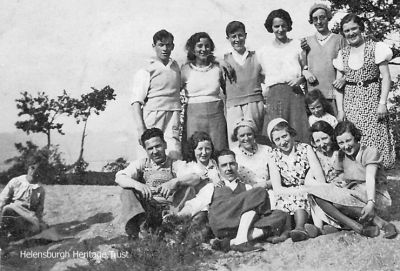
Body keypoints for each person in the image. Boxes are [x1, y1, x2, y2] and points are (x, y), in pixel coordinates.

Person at [180, 149, 288, 252]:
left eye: (231, 164)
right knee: (260, 192)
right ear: (218, 168)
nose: (228, 168)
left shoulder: (247, 187)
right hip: (222, 223)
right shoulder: (212, 187)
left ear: (236, 165)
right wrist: (179, 216)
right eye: (224, 165)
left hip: (238, 227)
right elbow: (195, 204)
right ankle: (241, 239)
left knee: (280, 215)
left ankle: (234, 241)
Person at [307, 121, 397, 238]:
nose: (346, 146)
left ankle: (383, 224)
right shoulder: (341, 155)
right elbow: (339, 175)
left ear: (356, 137)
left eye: (348, 140)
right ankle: (358, 228)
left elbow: (370, 178)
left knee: (337, 203)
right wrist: (339, 183)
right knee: (318, 195)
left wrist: (370, 203)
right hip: (355, 194)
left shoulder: (369, 152)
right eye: (341, 143)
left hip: (374, 195)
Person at [332, 13, 396, 169]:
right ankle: (359, 179)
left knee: (375, 139)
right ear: (343, 33)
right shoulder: (343, 54)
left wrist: (382, 103)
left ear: (361, 28)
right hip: (352, 103)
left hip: (372, 100)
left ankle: (379, 180)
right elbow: (338, 87)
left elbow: (386, 78)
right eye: (347, 31)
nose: (351, 33)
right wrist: (341, 110)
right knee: (354, 140)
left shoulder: (375, 48)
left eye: (354, 29)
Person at [115, 128, 198, 239]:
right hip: (147, 211)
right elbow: (119, 177)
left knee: (189, 189)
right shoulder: (142, 164)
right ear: (145, 150)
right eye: (150, 148)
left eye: (158, 146)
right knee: (126, 191)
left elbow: (195, 177)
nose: (155, 151)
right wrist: (137, 185)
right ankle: (143, 229)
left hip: (170, 209)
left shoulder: (176, 164)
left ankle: (170, 226)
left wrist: (175, 181)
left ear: (165, 145)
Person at [267, 118, 326, 242]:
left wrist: (308, 187)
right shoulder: (273, 155)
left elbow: (319, 176)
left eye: (284, 136)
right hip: (286, 192)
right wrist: (295, 191)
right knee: (282, 199)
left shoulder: (305, 148)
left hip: (307, 189)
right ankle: (285, 232)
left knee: (300, 197)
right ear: (273, 141)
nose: (282, 142)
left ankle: (300, 228)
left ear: (291, 134)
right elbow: (277, 188)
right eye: (277, 139)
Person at [257, 9, 310, 143]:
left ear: (288, 26)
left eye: (283, 25)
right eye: (276, 26)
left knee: (298, 130)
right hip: (274, 95)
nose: (280, 29)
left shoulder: (297, 45)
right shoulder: (264, 50)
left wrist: (301, 79)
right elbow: (260, 74)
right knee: (277, 131)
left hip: (295, 94)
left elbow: (306, 69)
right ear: (271, 27)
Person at [131, 29, 182, 160]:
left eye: (168, 45)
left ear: (173, 46)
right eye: (161, 45)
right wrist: (141, 129)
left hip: (173, 115)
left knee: (174, 151)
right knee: (149, 151)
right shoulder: (146, 69)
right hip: (153, 115)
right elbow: (136, 102)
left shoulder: (176, 67)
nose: (165, 48)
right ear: (154, 46)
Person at [181, 32, 228, 154]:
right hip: (193, 116)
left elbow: (228, 91)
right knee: (195, 150)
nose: (203, 49)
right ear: (192, 48)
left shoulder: (218, 68)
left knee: (218, 150)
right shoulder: (185, 69)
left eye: (207, 46)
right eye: (199, 46)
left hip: (216, 116)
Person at [223, 21, 265, 146]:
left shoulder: (256, 56)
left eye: (240, 35)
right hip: (233, 106)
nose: (237, 39)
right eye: (233, 36)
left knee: (255, 139)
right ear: (228, 38)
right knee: (236, 141)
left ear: (245, 35)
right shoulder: (224, 59)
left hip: (254, 103)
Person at [301, 3, 346, 114]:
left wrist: (343, 79)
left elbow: (349, 65)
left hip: (335, 96)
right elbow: (301, 67)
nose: (319, 21)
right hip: (314, 99)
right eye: (315, 19)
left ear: (328, 18)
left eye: (322, 17)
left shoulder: (339, 39)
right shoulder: (306, 41)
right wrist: (305, 72)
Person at [0, 154, 47, 246]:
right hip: (14, 210)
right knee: (7, 209)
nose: (33, 172)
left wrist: (40, 222)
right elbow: (2, 199)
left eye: (38, 170)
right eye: (32, 168)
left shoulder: (40, 189)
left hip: (29, 216)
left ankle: (18, 235)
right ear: (28, 167)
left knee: (35, 228)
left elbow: (39, 210)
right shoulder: (16, 181)